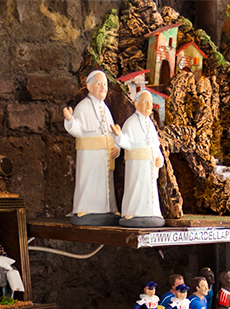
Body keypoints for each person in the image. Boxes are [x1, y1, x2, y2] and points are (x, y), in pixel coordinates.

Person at [61, 70, 119, 225]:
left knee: (106, 184)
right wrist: (69, 120)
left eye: (105, 84)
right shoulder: (83, 107)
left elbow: (112, 133)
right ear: (89, 86)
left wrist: (116, 148)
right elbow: (78, 130)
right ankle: (83, 209)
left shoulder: (106, 109)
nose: (103, 88)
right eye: (99, 84)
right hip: (89, 155)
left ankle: (108, 209)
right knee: (88, 182)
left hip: (105, 156)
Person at [113, 90, 164, 228]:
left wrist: (160, 159)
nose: (149, 105)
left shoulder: (151, 124)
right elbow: (126, 143)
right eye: (145, 101)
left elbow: (156, 146)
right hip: (137, 165)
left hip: (150, 165)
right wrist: (118, 136)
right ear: (137, 104)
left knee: (150, 191)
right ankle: (132, 213)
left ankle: (152, 212)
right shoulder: (131, 122)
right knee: (136, 188)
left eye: (150, 102)